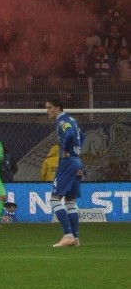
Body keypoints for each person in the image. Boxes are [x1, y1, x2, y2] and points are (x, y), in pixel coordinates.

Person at [45, 98, 85, 247]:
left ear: (57, 108)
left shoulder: (62, 121)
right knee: (70, 201)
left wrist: (67, 151)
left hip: (68, 162)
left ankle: (68, 235)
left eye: (49, 108)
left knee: (55, 199)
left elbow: (68, 135)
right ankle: (75, 238)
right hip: (77, 162)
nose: (47, 111)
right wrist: (76, 152)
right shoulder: (72, 120)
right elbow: (82, 135)